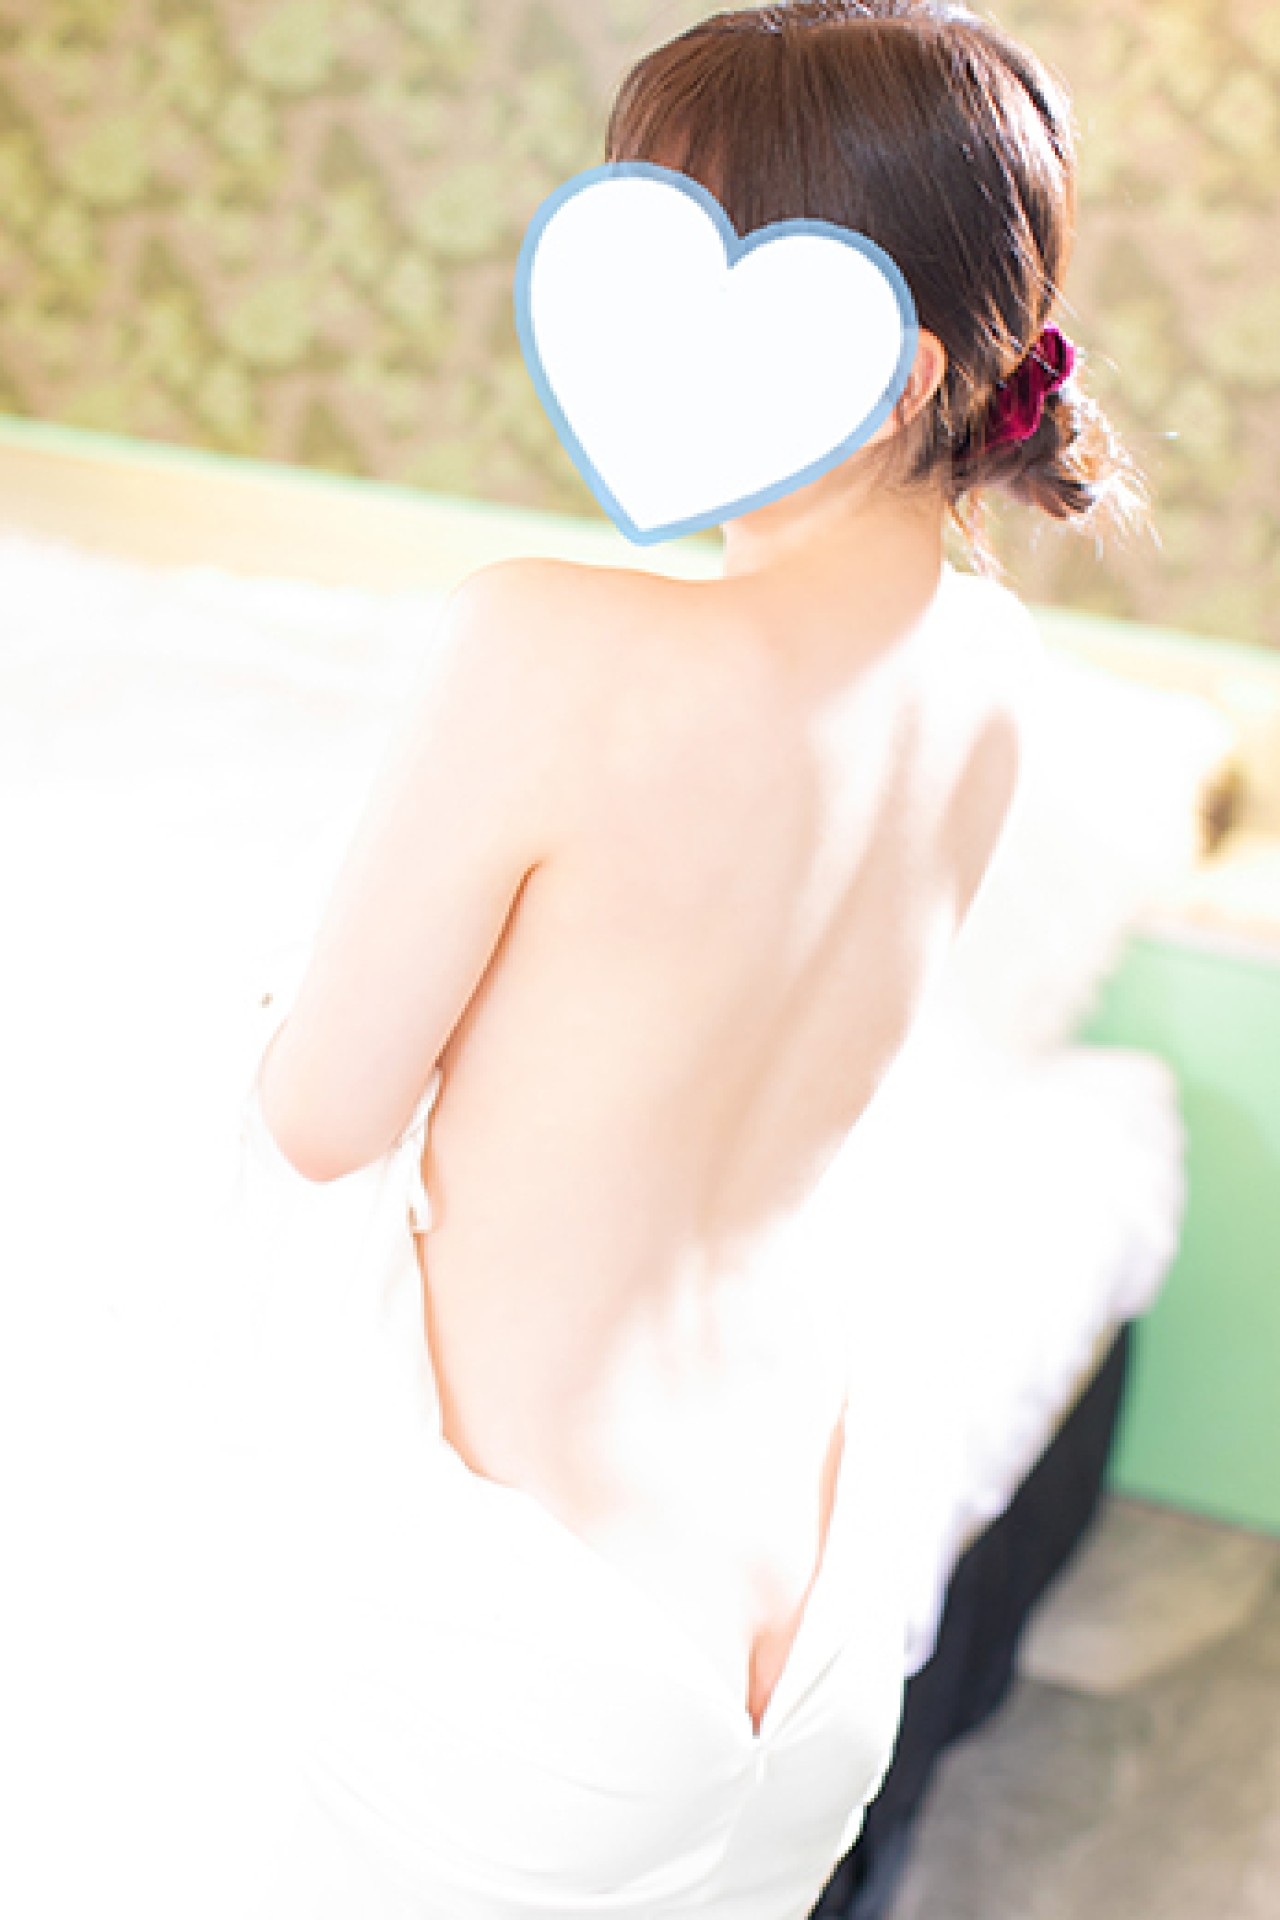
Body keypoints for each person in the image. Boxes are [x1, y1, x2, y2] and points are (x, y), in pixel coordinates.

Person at [249, 4, 1143, 1914]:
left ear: (893, 373)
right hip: (814, 1601)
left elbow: (320, 1119)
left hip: (539, 1626)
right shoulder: (1001, 677)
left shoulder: (546, 646)